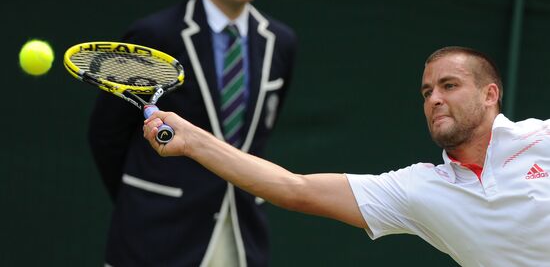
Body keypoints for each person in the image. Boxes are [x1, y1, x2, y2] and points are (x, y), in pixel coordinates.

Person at [142, 46, 550, 267]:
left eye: (449, 85)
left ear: (490, 94)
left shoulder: (542, 136)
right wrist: (192, 139)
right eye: (427, 92)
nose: (435, 99)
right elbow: (294, 189)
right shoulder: (419, 189)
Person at [88, 0, 297, 267]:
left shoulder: (281, 40)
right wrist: (143, 200)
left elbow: (259, 134)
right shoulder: (155, 34)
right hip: (155, 233)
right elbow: (107, 133)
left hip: (241, 231)